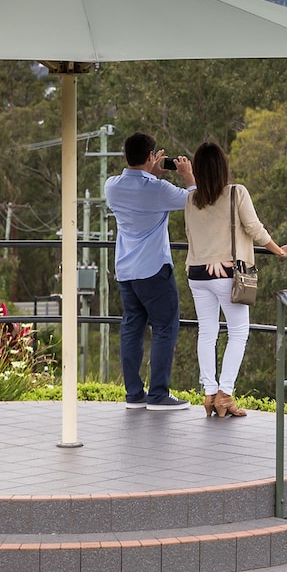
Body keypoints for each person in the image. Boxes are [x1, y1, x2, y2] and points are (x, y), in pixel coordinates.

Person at [183, 139, 287, 418]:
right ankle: (225, 395)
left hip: (197, 274)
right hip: (228, 274)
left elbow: (190, 234)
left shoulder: (190, 198)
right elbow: (255, 229)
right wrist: (278, 250)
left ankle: (209, 393)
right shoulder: (236, 193)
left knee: (207, 332)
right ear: (222, 167)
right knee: (238, 333)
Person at [103, 131, 195, 412]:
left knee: (131, 329)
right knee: (165, 328)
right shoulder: (158, 190)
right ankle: (158, 395)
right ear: (149, 156)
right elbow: (194, 201)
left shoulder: (112, 186)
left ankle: (134, 394)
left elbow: (142, 189)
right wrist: (188, 175)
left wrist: (151, 174)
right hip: (154, 270)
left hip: (126, 271)